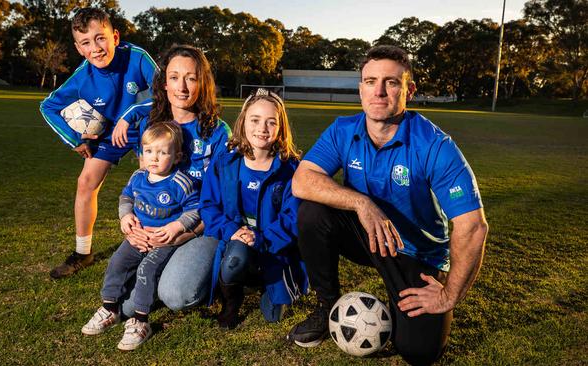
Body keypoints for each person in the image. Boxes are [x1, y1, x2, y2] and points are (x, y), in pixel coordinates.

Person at [285, 45, 489, 366]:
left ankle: (405, 306)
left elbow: (473, 227)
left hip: (414, 252)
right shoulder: (343, 130)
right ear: (360, 88)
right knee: (311, 210)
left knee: (418, 352)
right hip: (365, 234)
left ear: (409, 90)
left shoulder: (434, 145)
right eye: (370, 81)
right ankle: (327, 306)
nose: (379, 91)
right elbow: (302, 180)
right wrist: (361, 203)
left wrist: (450, 294)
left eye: (391, 82)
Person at [39, 8, 158, 279]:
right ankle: (83, 252)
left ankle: (150, 246)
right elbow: (48, 107)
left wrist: (130, 116)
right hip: (108, 133)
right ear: (79, 48)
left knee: (149, 183)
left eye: (100, 38)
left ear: (114, 36)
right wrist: (74, 138)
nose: (95, 48)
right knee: (86, 182)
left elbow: (164, 92)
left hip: (145, 126)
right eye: (86, 43)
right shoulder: (82, 77)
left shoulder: (137, 58)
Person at [118, 44, 232, 316]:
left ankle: (216, 271)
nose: (182, 87)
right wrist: (134, 225)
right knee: (121, 283)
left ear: (202, 83)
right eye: (174, 77)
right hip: (157, 225)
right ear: (164, 83)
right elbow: (144, 183)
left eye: (191, 78)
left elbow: (224, 203)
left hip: (202, 227)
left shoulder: (218, 133)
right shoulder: (151, 125)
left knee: (177, 295)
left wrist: (183, 235)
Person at [81, 122, 200, 350]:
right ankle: (110, 308)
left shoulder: (181, 182)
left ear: (177, 157)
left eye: (162, 153)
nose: (154, 158)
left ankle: (141, 321)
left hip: (164, 241)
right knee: (117, 261)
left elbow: (195, 209)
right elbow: (126, 198)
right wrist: (125, 217)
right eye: (149, 152)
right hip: (138, 236)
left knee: (147, 270)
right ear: (142, 153)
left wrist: (176, 227)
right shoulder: (138, 177)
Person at [201, 90, 308, 329]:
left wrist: (262, 238)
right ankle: (232, 299)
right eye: (255, 120)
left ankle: (266, 284)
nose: (263, 128)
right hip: (237, 243)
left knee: (273, 316)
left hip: (273, 248)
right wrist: (231, 231)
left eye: (272, 122)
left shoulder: (290, 169)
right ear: (243, 121)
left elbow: (293, 218)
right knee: (236, 257)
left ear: (281, 128)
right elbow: (208, 206)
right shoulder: (225, 163)